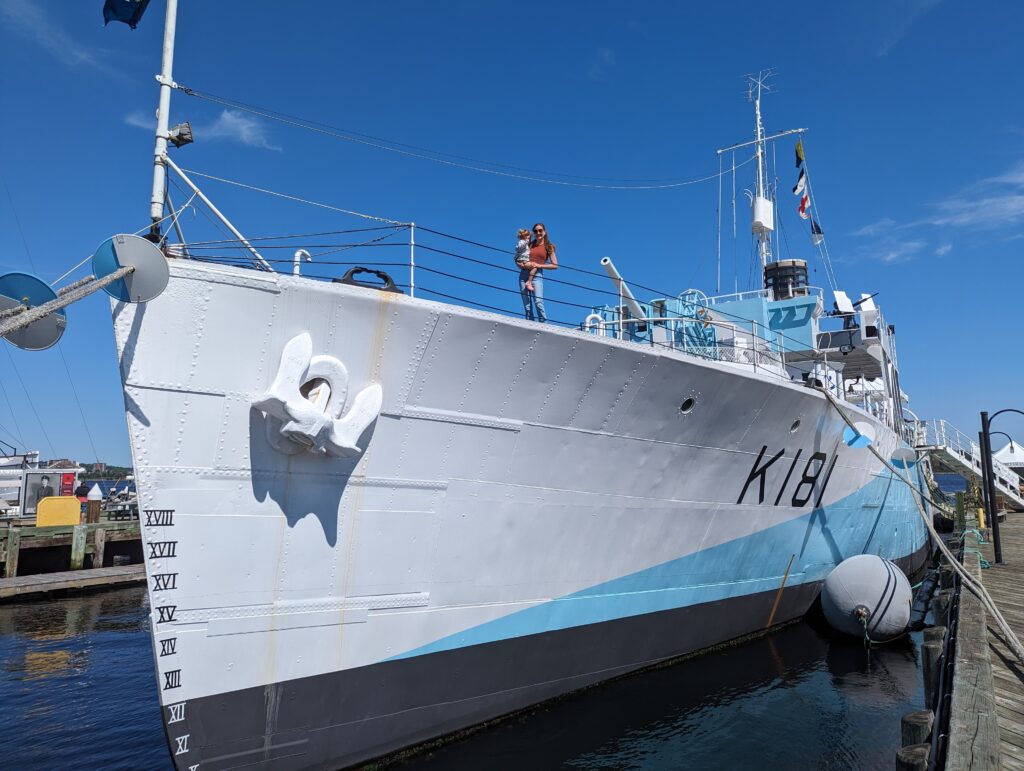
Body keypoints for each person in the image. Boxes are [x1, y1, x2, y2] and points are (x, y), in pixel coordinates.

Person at [520, 222, 558, 322]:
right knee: (527, 304)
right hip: (524, 274)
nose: (538, 233)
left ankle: (543, 324)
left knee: (538, 301)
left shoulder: (549, 246)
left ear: (544, 232)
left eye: (540, 230)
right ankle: (529, 324)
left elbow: (555, 265)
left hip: (537, 275)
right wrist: (520, 264)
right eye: (536, 231)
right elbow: (519, 255)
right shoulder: (530, 244)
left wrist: (539, 265)